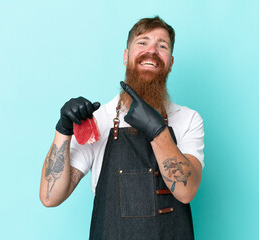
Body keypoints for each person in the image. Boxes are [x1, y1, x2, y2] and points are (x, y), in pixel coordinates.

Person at [39, 16, 205, 240]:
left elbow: (186, 191)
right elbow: (51, 197)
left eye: (162, 46)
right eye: (142, 42)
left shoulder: (188, 118)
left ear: (170, 63)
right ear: (126, 57)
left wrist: (157, 131)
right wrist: (63, 130)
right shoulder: (99, 119)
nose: (152, 51)